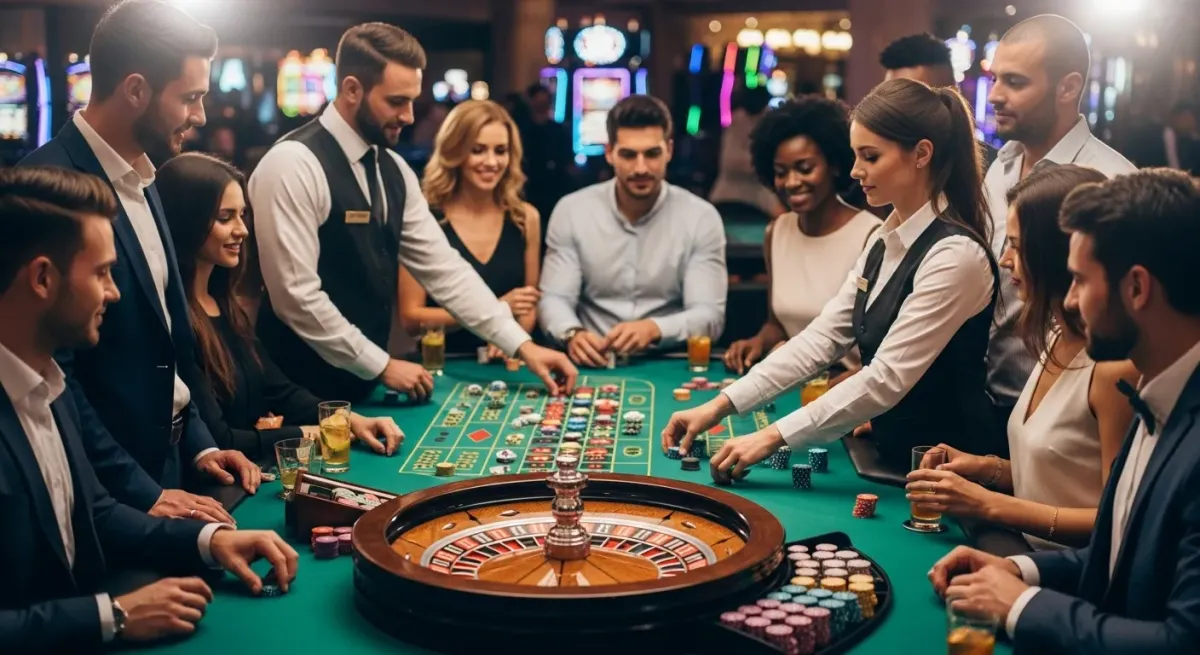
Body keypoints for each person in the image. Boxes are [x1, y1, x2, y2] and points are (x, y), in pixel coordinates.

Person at [0, 166, 298, 652]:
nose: (115, 293)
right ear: (42, 278)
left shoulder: (52, 386)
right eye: (102, 274)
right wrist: (111, 616)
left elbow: (94, 512)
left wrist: (209, 543)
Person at [663, 78, 1000, 477]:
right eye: (856, 155)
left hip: (951, 475)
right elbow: (821, 339)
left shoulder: (954, 255)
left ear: (921, 154)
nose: (856, 170)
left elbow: (885, 379)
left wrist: (769, 437)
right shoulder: (883, 239)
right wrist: (719, 405)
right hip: (894, 459)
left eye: (870, 157)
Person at [929, 168, 1200, 653]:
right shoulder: (1159, 392)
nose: (1070, 300)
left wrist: (1021, 605)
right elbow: (1116, 552)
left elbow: (1181, 642)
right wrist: (1017, 569)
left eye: (1078, 280)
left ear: (1137, 288)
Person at [249, 22, 576, 404]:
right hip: (293, 393)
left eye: (411, 100)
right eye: (395, 101)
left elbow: (446, 271)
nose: (408, 115)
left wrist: (522, 346)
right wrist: (382, 365)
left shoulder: (394, 170)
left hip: (360, 388)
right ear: (352, 89)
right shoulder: (293, 164)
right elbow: (296, 298)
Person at [19, 0, 258, 515]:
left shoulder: (147, 177)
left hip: (173, 461)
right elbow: (56, 382)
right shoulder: (45, 188)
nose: (200, 116)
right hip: (108, 490)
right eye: (190, 98)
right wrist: (142, 493)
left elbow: (170, 342)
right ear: (135, 90)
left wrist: (202, 444)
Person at [905, 164, 1137, 550]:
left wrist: (989, 505)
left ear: (1057, 252)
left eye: (1015, 244)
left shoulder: (1114, 369)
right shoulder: (1055, 333)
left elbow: (1117, 520)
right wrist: (984, 468)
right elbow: (1060, 476)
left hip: (1074, 583)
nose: (1004, 259)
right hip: (1025, 555)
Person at [157, 153, 404, 462]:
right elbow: (222, 439)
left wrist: (349, 420)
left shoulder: (226, 307)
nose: (242, 229)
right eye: (225, 217)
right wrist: (314, 434)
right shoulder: (177, 320)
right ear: (187, 222)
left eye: (242, 214)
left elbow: (279, 390)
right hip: (220, 493)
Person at [983, 14, 1137, 454]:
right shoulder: (1002, 166)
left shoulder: (1110, 181)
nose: (995, 95)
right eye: (995, 79)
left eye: (1014, 82)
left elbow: (1124, 319)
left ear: (1068, 88)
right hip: (997, 403)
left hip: (1069, 423)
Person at [538, 94, 727, 367]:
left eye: (652, 154)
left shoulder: (701, 217)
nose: (641, 168)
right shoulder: (571, 211)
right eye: (628, 154)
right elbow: (555, 299)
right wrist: (572, 333)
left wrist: (654, 329)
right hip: (593, 359)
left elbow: (709, 315)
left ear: (669, 150)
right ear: (609, 152)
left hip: (669, 361)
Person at [722, 95, 880, 377]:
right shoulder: (777, 232)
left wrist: (851, 383)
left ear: (834, 164)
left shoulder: (871, 236)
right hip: (794, 384)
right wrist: (758, 342)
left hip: (847, 392)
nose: (792, 182)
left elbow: (883, 348)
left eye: (805, 169)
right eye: (781, 172)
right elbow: (780, 324)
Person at [398, 100, 542, 358]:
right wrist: (495, 313)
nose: (492, 162)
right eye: (477, 150)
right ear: (455, 152)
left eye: (501, 151)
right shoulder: (422, 217)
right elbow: (411, 319)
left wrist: (513, 337)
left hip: (506, 361)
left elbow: (528, 305)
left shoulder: (525, 218)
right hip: (442, 362)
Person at [880, 32, 999, 168]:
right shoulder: (878, 166)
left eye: (914, 97)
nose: (899, 109)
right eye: (891, 98)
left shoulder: (995, 170)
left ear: (952, 94)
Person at [708, 85, 785, 220]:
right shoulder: (737, 121)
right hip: (729, 196)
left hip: (761, 198)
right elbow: (730, 161)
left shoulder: (768, 121)